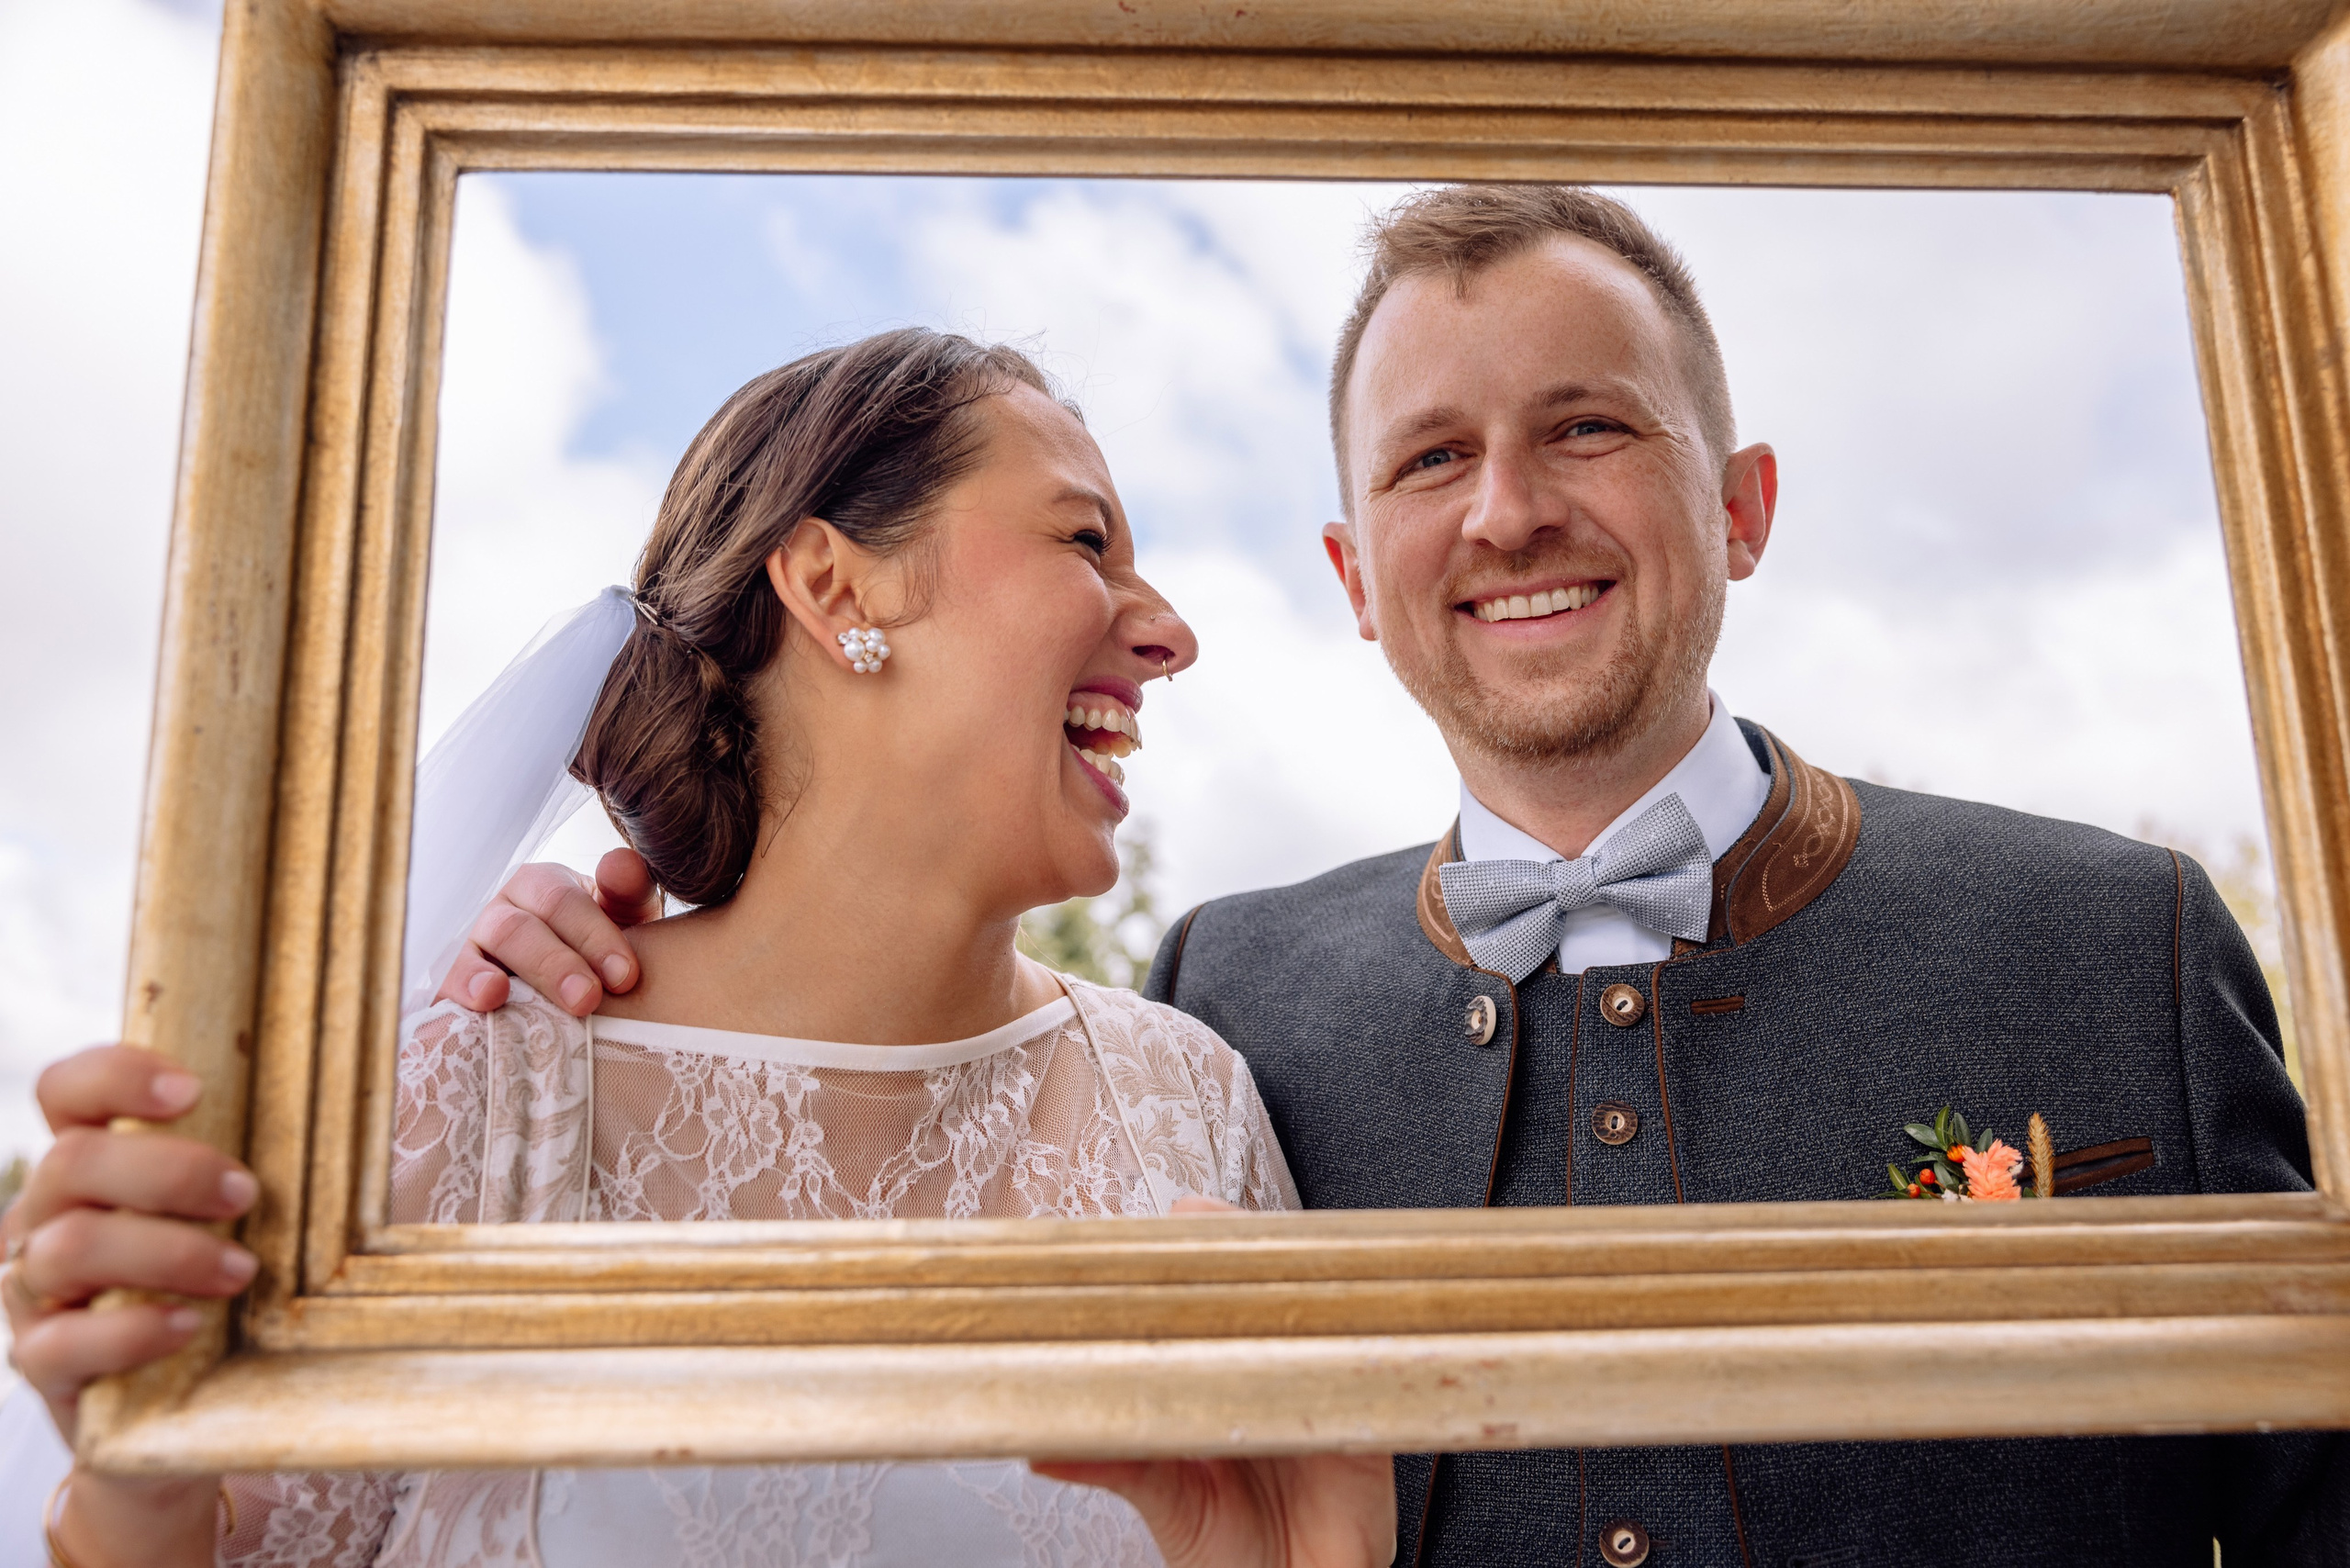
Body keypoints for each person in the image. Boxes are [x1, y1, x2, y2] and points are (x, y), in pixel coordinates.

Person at [450, 185, 2349, 1562]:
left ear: (1742, 505)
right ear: (1356, 578)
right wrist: (599, 955)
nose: (1507, 510)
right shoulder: (1224, 1011)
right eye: (1430, 458)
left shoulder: (2120, 945)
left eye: (1585, 425)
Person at [0, 330, 1395, 1567]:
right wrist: (134, 1458)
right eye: (1087, 543)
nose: (1170, 633)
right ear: (835, 587)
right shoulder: (479, 1098)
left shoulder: (1192, 1104)